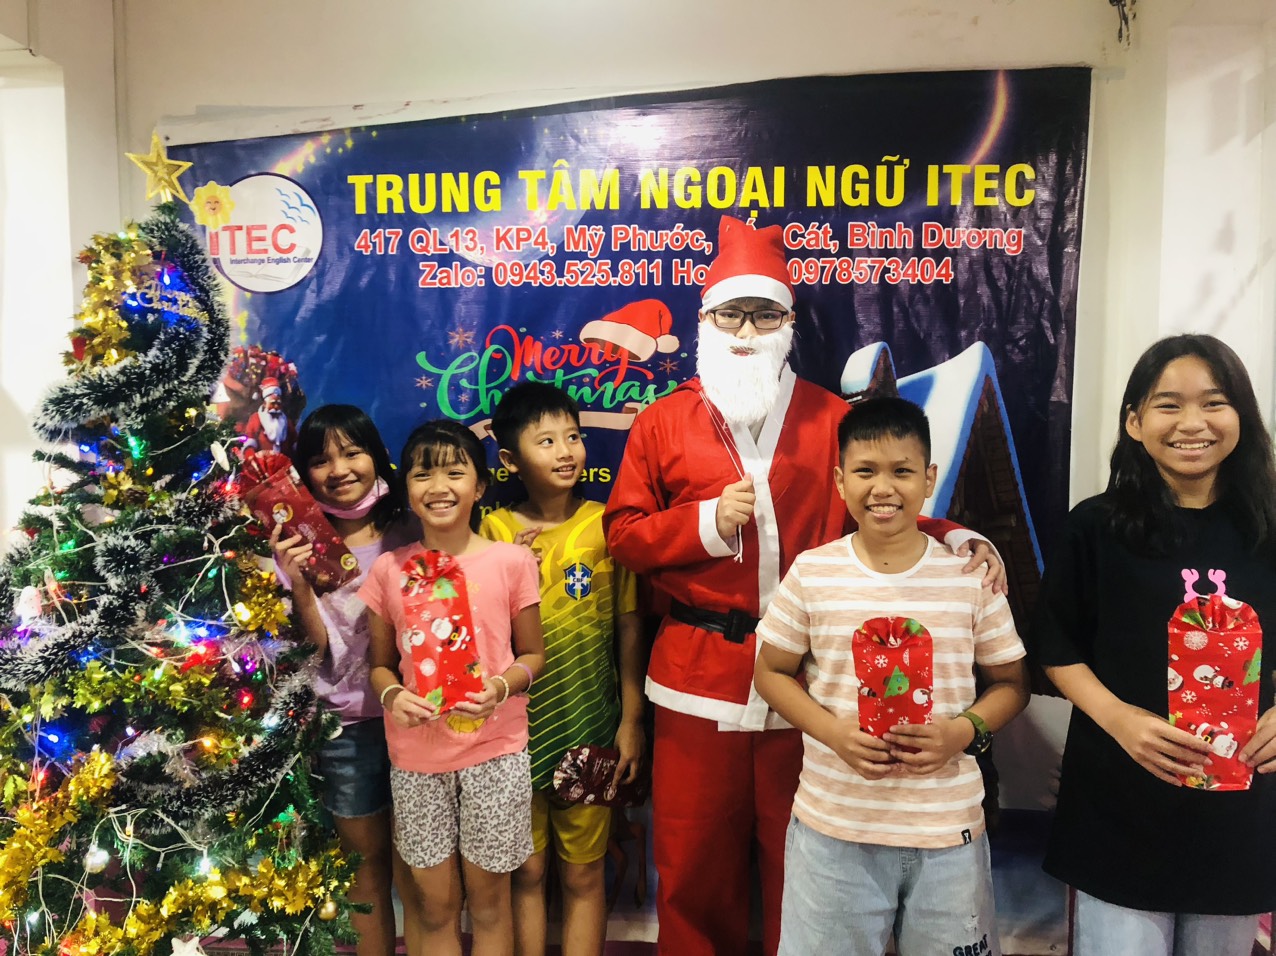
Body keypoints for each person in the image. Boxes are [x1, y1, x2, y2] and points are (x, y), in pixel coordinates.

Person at [603, 214, 1005, 956]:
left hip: (815, 683)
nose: (746, 330)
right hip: (697, 677)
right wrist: (702, 524)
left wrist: (956, 535)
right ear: (705, 321)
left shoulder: (831, 418)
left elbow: (884, 502)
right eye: (731, 313)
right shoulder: (662, 423)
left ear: (788, 324)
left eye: (764, 314)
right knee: (692, 866)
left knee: (810, 873)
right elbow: (623, 535)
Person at [753, 397, 1029, 955]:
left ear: (929, 479)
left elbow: (1012, 684)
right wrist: (832, 733)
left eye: (902, 471)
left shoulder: (969, 576)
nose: (883, 488)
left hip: (946, 831)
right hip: (834, 829)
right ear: (840, 481)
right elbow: (770, 674)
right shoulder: (813, 572)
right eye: (865, 471)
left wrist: (962, 732)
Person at [1029, 334, 1276, 955]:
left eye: (1214, 402)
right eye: (1169, 404)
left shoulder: (1269, 528)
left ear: (1241, 416)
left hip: (1239, 811)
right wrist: (1120, 719)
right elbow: (1055, 644)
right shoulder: (1096, 525)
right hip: (1120, 801)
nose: (1192, 422)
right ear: (1135, 422)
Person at [361, 420, 546, 956]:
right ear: (406, 489)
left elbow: (534, 656)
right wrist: (393, 696)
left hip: (496, 753)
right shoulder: (389, 570)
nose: (438, 487)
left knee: (490, 905)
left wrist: (500, 688)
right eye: (422, 474)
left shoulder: (511, 561)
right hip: (417, 759)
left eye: (454, 472)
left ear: (480, 486)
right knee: (435, 907)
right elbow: (380, 667)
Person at [481, 381, 645, 956]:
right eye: (545, 440)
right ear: (509, 460)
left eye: (572, 436)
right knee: (526, 873)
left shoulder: (608, 526)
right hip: (510, 739)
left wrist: (631, 720)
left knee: (583, 874)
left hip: (589, 729)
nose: (565, 451)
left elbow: (629, 627)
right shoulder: (491, 532)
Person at [269, 404, 411, 956]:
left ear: (376, 454)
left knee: (422, 873)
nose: (340, 469)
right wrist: (300, 586)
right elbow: (314, 653)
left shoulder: (411, 529)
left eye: (352, 452)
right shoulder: (296, 545)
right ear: (304, 472)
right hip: (347, 728)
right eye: (321, 460)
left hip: (420, 722)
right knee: (366, 874)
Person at [242, 376, 298, 455]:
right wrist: (250, 454)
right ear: (265, 404)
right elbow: (249, 440)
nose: (276, 406)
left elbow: (295, 440)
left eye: (278, 403)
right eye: (273, 403)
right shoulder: (257, 418)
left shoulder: (285, 421)